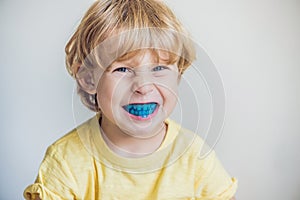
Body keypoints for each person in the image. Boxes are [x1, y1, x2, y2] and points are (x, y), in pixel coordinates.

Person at [24, 0, 237, 199]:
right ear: (89, 79)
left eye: (159, 68)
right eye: (122, 69)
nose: (143, 87)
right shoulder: (65, 161)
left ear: (178, 74)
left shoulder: (196, 159)